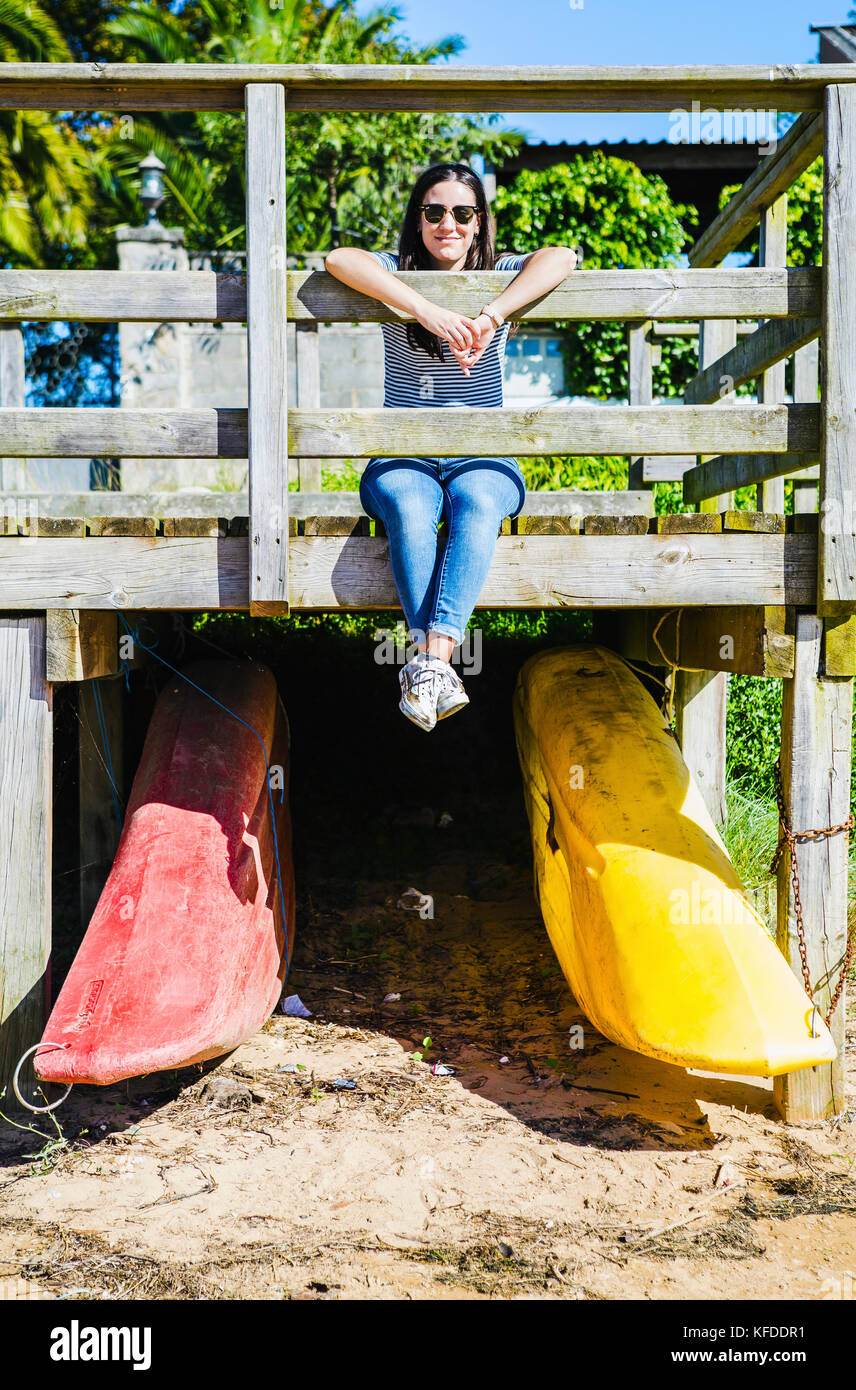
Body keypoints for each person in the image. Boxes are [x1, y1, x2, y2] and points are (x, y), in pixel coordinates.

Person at [325, 161, 577, 731]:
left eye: (463, 213)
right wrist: (425, 307)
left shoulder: (500, 272)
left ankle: (427, 664)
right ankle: (437, 664)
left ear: (479, 221)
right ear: (418, 220)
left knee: (480, 504)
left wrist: (491, 314)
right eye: (434, 212)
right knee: (412, 509)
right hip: (403, 456)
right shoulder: (397, 272)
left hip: (481, 455)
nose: (449, 224)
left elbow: (563, 257)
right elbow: (338, 259)